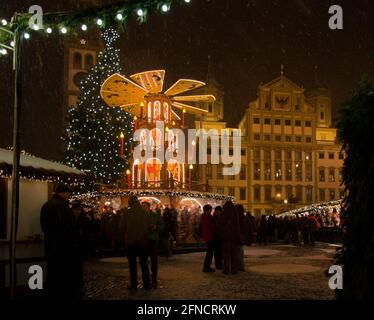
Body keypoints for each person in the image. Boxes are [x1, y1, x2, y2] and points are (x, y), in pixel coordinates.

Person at [40, 183, 83, 300]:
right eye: (68, 193)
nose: (69, 196)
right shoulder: (63, 207)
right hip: (64, 247)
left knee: (53, 272)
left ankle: (52, 293)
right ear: (63, 193)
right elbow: (69, 228)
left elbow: (44, 226)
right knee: (63, 274)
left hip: (51, 245)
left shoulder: (46, 205)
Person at [119, 196, 151, 291]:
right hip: (142, 242)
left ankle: (133, 285)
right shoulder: (144, 213)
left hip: (131, 243)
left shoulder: (126, 213)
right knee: (144, 264)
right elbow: (149, 227)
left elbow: (121, 227)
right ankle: (147, 284)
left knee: (132, 265)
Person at [143, 202, 164, 288]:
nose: (144, 208)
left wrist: (155, 227)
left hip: (153, 239)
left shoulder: (155, 216)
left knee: (154, 260)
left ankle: (154, 278)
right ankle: (146, 278)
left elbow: (162, 226)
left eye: (145, 206)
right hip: (144, 240)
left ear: (149, 207)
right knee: (143, 260)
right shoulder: (140, 216)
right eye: (142, 207)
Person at [217, 201, 240, 275]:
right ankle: (234, 269)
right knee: (234, 254)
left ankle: (226, 269)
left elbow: (219, 226)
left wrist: (222, 234)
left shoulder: (223, 214)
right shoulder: (235, 214)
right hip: (233, 237)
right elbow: (237, 226)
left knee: (226, 254)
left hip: (225, 237)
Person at [200, 204, 215, 273]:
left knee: (209, 252)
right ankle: (206, 267)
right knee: (209, 253)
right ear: (208, 210)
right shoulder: (207, 217)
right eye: (210, 210)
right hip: (209, 236)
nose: (211, 211)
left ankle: (207, 267)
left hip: (207, 235)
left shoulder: (203, 216)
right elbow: (210, 226)